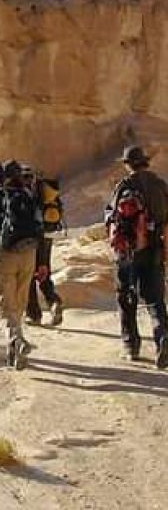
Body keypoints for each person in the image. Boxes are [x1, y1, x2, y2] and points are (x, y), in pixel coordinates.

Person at [0, 160, 47, 370]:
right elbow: (40, 229)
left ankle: (15, 340)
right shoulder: (28, 194)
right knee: (19, 301)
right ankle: (15, 352)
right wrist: (43, 262)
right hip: (29, 254)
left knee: (6, 304)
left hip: (6, 253)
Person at [105, 145, 168, 367]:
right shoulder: (160, 185)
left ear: (127, 164)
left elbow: (111, 216)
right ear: (145, 162)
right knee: (155, 299)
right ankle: (163, 340)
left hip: (129, 253)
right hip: (155, 249)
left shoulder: (124, 186)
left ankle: (131, 345)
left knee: (126, 297)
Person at [22, 165, 64, 327]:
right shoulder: (42, 190)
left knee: (29, 276)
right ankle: (53, 302)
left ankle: (34, 315)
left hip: (31, 238)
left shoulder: (25, 192)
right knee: (44, 271)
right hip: (46, 238)